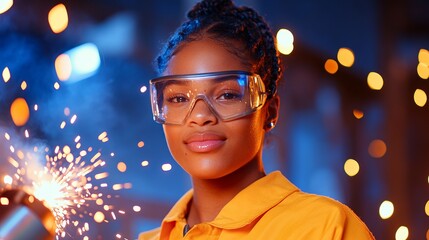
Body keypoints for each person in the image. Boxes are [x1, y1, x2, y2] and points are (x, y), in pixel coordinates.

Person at [139, 0, 375, 239]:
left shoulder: (325, 228)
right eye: (178, 99)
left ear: (270, 112)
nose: (200, 115)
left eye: (227, 95)